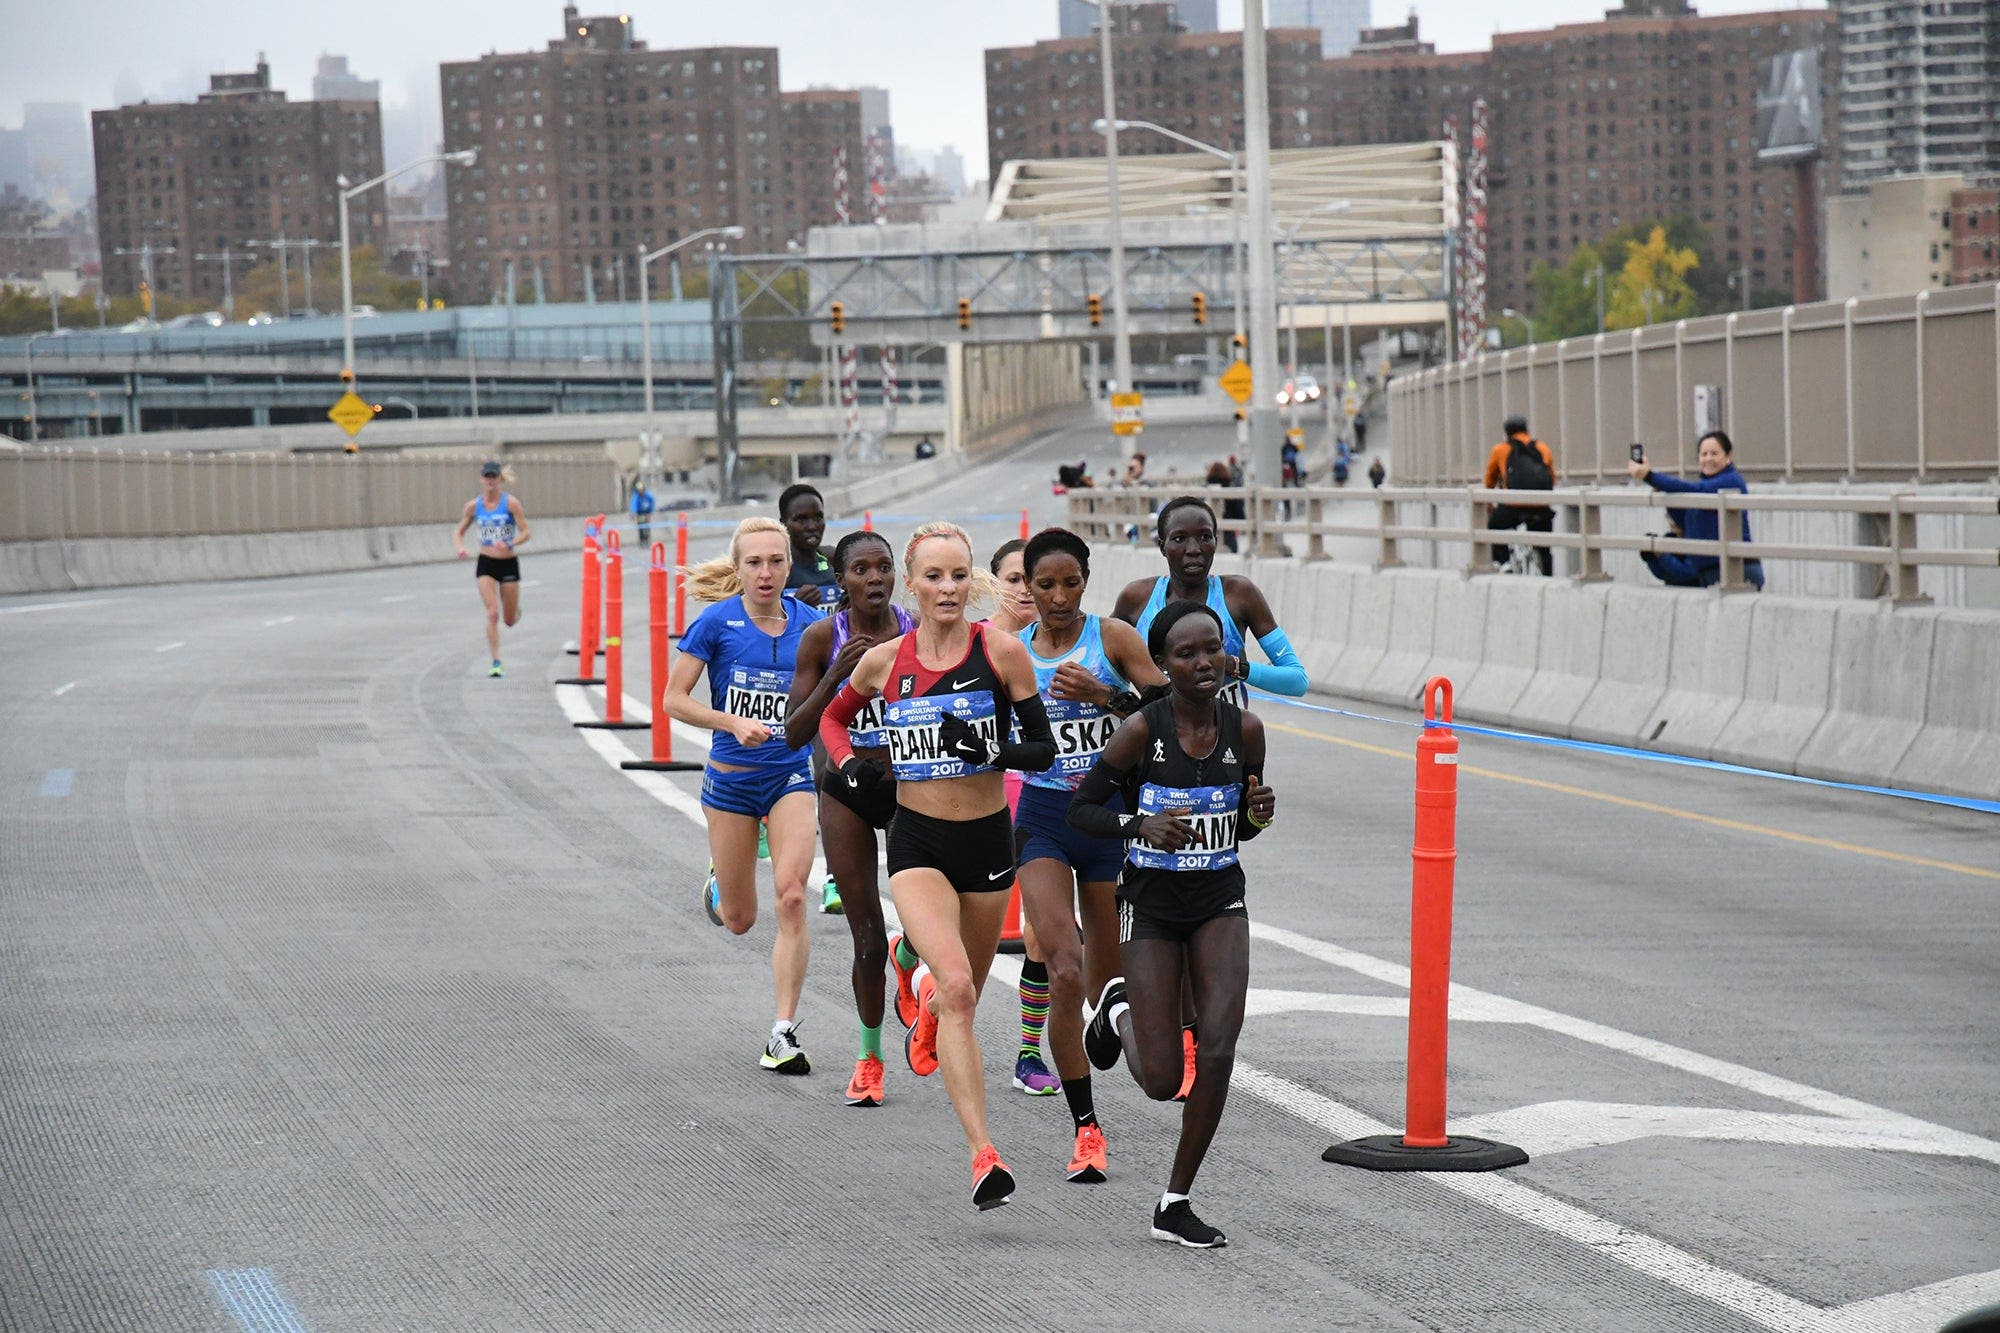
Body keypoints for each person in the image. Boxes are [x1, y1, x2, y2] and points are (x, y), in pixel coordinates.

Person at [816, 522, 1057, 1211]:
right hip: (917, 840)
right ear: (912, 584)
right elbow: (835, 720)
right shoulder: (885, 661)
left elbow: (1041, 752)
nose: (947, 589)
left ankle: (917, 988)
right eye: (934, 577)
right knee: (956, 984)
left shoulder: (1001, 650)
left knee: (964, 997)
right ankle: (985, 1154)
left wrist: (987, 746)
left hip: (987, 844)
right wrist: (851, 763)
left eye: (959, 575)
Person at [1069, 599, 1276, 1249]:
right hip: (1151, 902)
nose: (1203, 661)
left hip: (1218, 897)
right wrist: (1139, 824)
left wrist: (1258, 814)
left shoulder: (1246, 731)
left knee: (1216, 1045)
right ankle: (1115, 1007)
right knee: (1160, 1079)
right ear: (1162, 664)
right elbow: (1083, 810)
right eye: (1186, 653)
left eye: (1211, 647)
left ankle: (1175, 1199)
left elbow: (1241, 825)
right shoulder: (1141, 732)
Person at [1110, 494, 1305, 1099]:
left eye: (1205, 538)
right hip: (1148, 760)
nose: (1193, 551)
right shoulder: (1137, 601)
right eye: (1180, 539)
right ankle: (1141, 1017)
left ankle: (1186, 1038)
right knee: (1160, 894)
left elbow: (1296, 678)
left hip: (1217, 759)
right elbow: (1111, 669)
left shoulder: (1239, 595)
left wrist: (1236, 670)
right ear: (1160, 543)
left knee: (1207, 891)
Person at [1014, 527, 1167, 1185]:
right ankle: (1086, 1128)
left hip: (1105, 819)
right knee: (1066, 969)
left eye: (1070, 582)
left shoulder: (1112, 640)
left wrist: (1106, 698)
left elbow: (1172, 708)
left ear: (1086, 578)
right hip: (1045, 819)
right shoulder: (1010, 652)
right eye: (1044, 584)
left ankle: (1103, 1030)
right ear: (1025, 585)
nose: (1058, 596)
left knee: (1108, 990)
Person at [663, 517, 825, 1076]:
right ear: (737, 568)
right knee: (739, 920)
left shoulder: (813, 627)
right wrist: (729, 723)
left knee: (794, 897)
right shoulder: (716, 622)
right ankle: (720, 879)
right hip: (731, 779)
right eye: (753, 563)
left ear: (788, 566)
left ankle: (782, 1031)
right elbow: (673, 700)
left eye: (775, 562)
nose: (765, 573)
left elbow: (843, 691)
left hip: (789, 776)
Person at [784, 531, 917, 1108]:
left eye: (883, 567)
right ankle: (869, 1058)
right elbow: (794, 731)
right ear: (840, 579)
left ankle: (909, 953)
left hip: (910, 785)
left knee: (929, 918)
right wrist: (839, 674)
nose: (874, 579)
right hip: (844, 786)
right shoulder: (822, 636)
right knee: (865, 930)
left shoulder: (919, 631)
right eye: (860, 570)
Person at [978, 538, 1060, 1099]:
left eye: (1035, 579)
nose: (1026, 590)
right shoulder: (974, 643)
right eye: (1014, 579)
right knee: (964, 925)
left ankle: (1028, 1053)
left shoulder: (1070, 643)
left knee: (1040, 934)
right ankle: (908, 948)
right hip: (983, 793)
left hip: (1045, 798)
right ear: (993, 583)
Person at [1630, 431, 1766, 590]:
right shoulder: (1703, 489)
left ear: (1728, 457)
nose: (1708, 458)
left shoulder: (1731, 480)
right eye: (1704, 454)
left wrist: (1650, 476)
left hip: (1737, 572)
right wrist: (1661, 489)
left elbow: (1693, 489)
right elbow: (1684, 521)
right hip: (1709, 572)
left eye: (1714, 453)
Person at [453, 460, 532, 678]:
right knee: (492, 613)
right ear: (481, 479)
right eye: (486, 477)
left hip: (508, 562)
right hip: (486, 563)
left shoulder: (511, 504)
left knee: (508, 619)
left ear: (499, 479)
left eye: (494, 477)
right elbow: (458, 531)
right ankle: (496, 661)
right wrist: (460, 548)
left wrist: (511, 542)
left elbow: (526, 532)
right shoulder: (473, 506)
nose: (490, 481)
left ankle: (515, 612)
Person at [1484, 414, 1557, 575]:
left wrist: (1489, 503)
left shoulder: (1500, 450)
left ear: (1506, 433)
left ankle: (1504, 563)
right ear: (1526, 430)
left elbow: (1489, 481)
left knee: (1494, 525)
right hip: (1541, 506)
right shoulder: (1543, 448)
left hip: (1513, 507)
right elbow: (1551, 479)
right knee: (1543, 544)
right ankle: (1547, 571)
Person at [778, 483, 840, 607]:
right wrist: (796, 607)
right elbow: (760, 619)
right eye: (801, 519)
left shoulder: (834, 558)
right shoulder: (776, 567)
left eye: (818, 517)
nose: (812, 526)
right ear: (783, 524)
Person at [1203, 462, 1240, 554]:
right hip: (1228, 534)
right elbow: (1239, 514)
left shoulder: (1204, 490)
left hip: (1206, 534)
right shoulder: (1231, 490)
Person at [630, 479, 655, 546]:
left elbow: (652, 503)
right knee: (641, 526)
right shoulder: (636, 496)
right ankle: (642, 541)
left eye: (641, 490)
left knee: (647, 526)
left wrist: (650, 511)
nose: (641, 491)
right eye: (639, 490)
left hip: (647, 512)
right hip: (640, 512)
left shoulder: (649, 495)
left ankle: (647, 540)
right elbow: (634, 504)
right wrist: (633, 513)